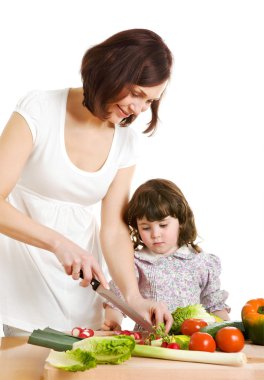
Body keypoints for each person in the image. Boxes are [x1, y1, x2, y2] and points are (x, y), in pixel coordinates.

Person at [0, 29, 173, 336]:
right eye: (136, 93)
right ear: (110, 69)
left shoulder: (126, 143)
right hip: (24, 277)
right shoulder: (39, 109)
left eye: (149, 101)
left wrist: (132, 298)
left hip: (83, 281)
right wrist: (57, 243)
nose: (138, 109)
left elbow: (113, 229)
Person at [102, 178, 230, 331]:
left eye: (163, 225)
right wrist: (113, 322)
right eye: (146, 227)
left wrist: (227, 329)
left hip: (193, 342)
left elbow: (214, 304)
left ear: (181, 220)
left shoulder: (201, 262)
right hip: (150, 341)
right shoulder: (134, 264)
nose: (155, 234)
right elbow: (117, 300)